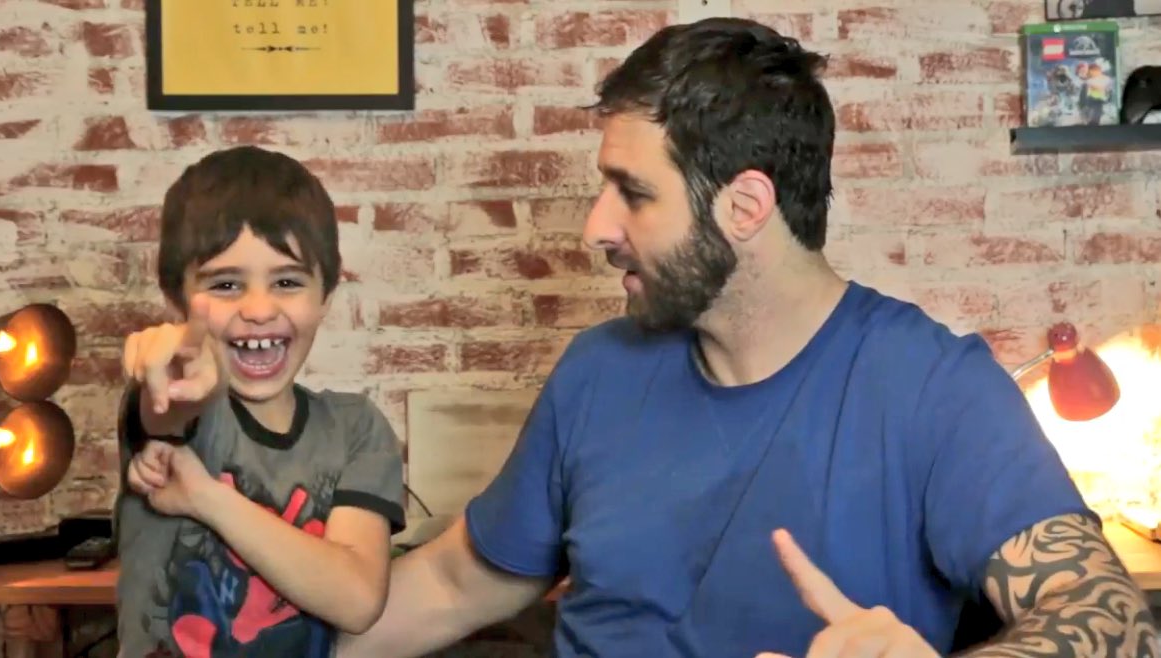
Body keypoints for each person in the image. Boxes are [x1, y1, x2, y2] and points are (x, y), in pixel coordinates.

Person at [338, 18, 1160, 658]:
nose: (596, 228)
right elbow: (455, 584)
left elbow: (1114, 619)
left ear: (744, 206)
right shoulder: (597, 371)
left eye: (633, 193)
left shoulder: (932, 390)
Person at [113, 146, 406, 658]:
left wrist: (207, 498)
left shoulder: (355, 429)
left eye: (287, 282)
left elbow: (357, 599)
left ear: (325, 295)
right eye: (226, 284)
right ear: (177, 298)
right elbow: (168, 410)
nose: (258, 309)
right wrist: (176, 372)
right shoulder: (182, 404)